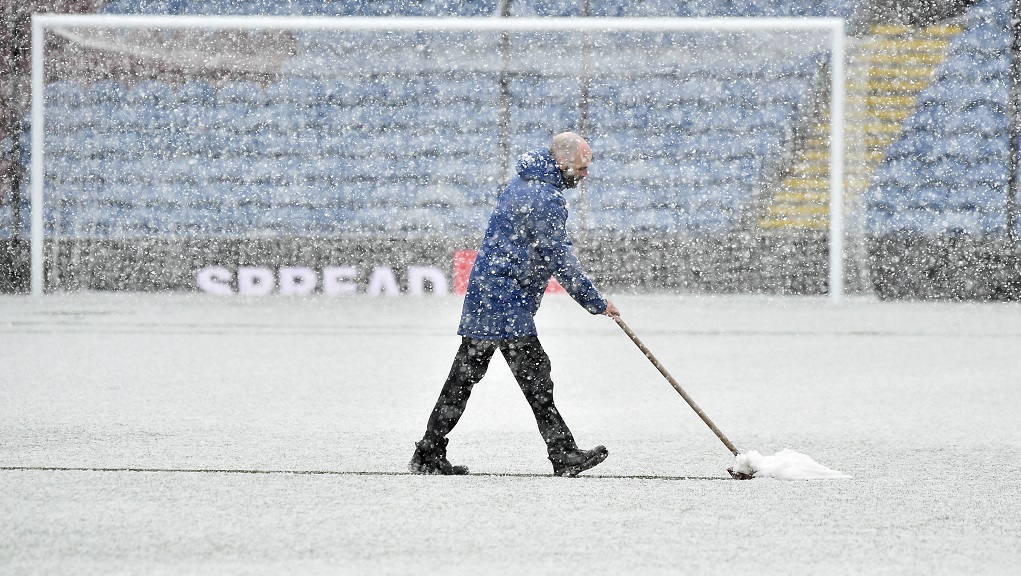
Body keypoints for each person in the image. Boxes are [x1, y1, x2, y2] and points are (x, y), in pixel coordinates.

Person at [409, 131, 621, 477]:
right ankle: (563, 453)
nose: (585, 175)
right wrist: (596, 301)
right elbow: (559, 259)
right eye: (582, 168)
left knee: (463, 378)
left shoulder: (523, 182)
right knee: (536, 377)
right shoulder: (545, 198)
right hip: (505, 303)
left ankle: (429, 451)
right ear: (562, 161)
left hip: (487, 295)